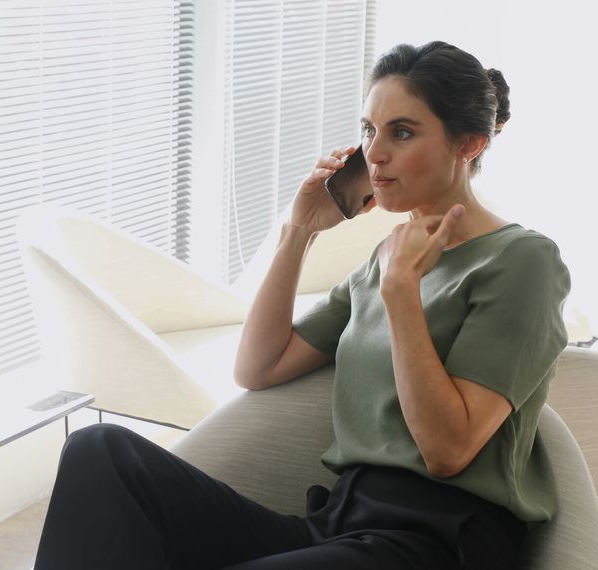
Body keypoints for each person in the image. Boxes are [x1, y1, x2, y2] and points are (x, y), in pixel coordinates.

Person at [33, 41, 571, 570]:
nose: (374, 153)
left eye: (402, 132)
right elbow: (259, 366)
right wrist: (298, 231)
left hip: (436, 541)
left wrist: (403, 294)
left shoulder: (522, 261)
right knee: (100, 451)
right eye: (368, 130)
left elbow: (448, 450)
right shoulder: (384, 260)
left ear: (469, 145)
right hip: (343, 523)